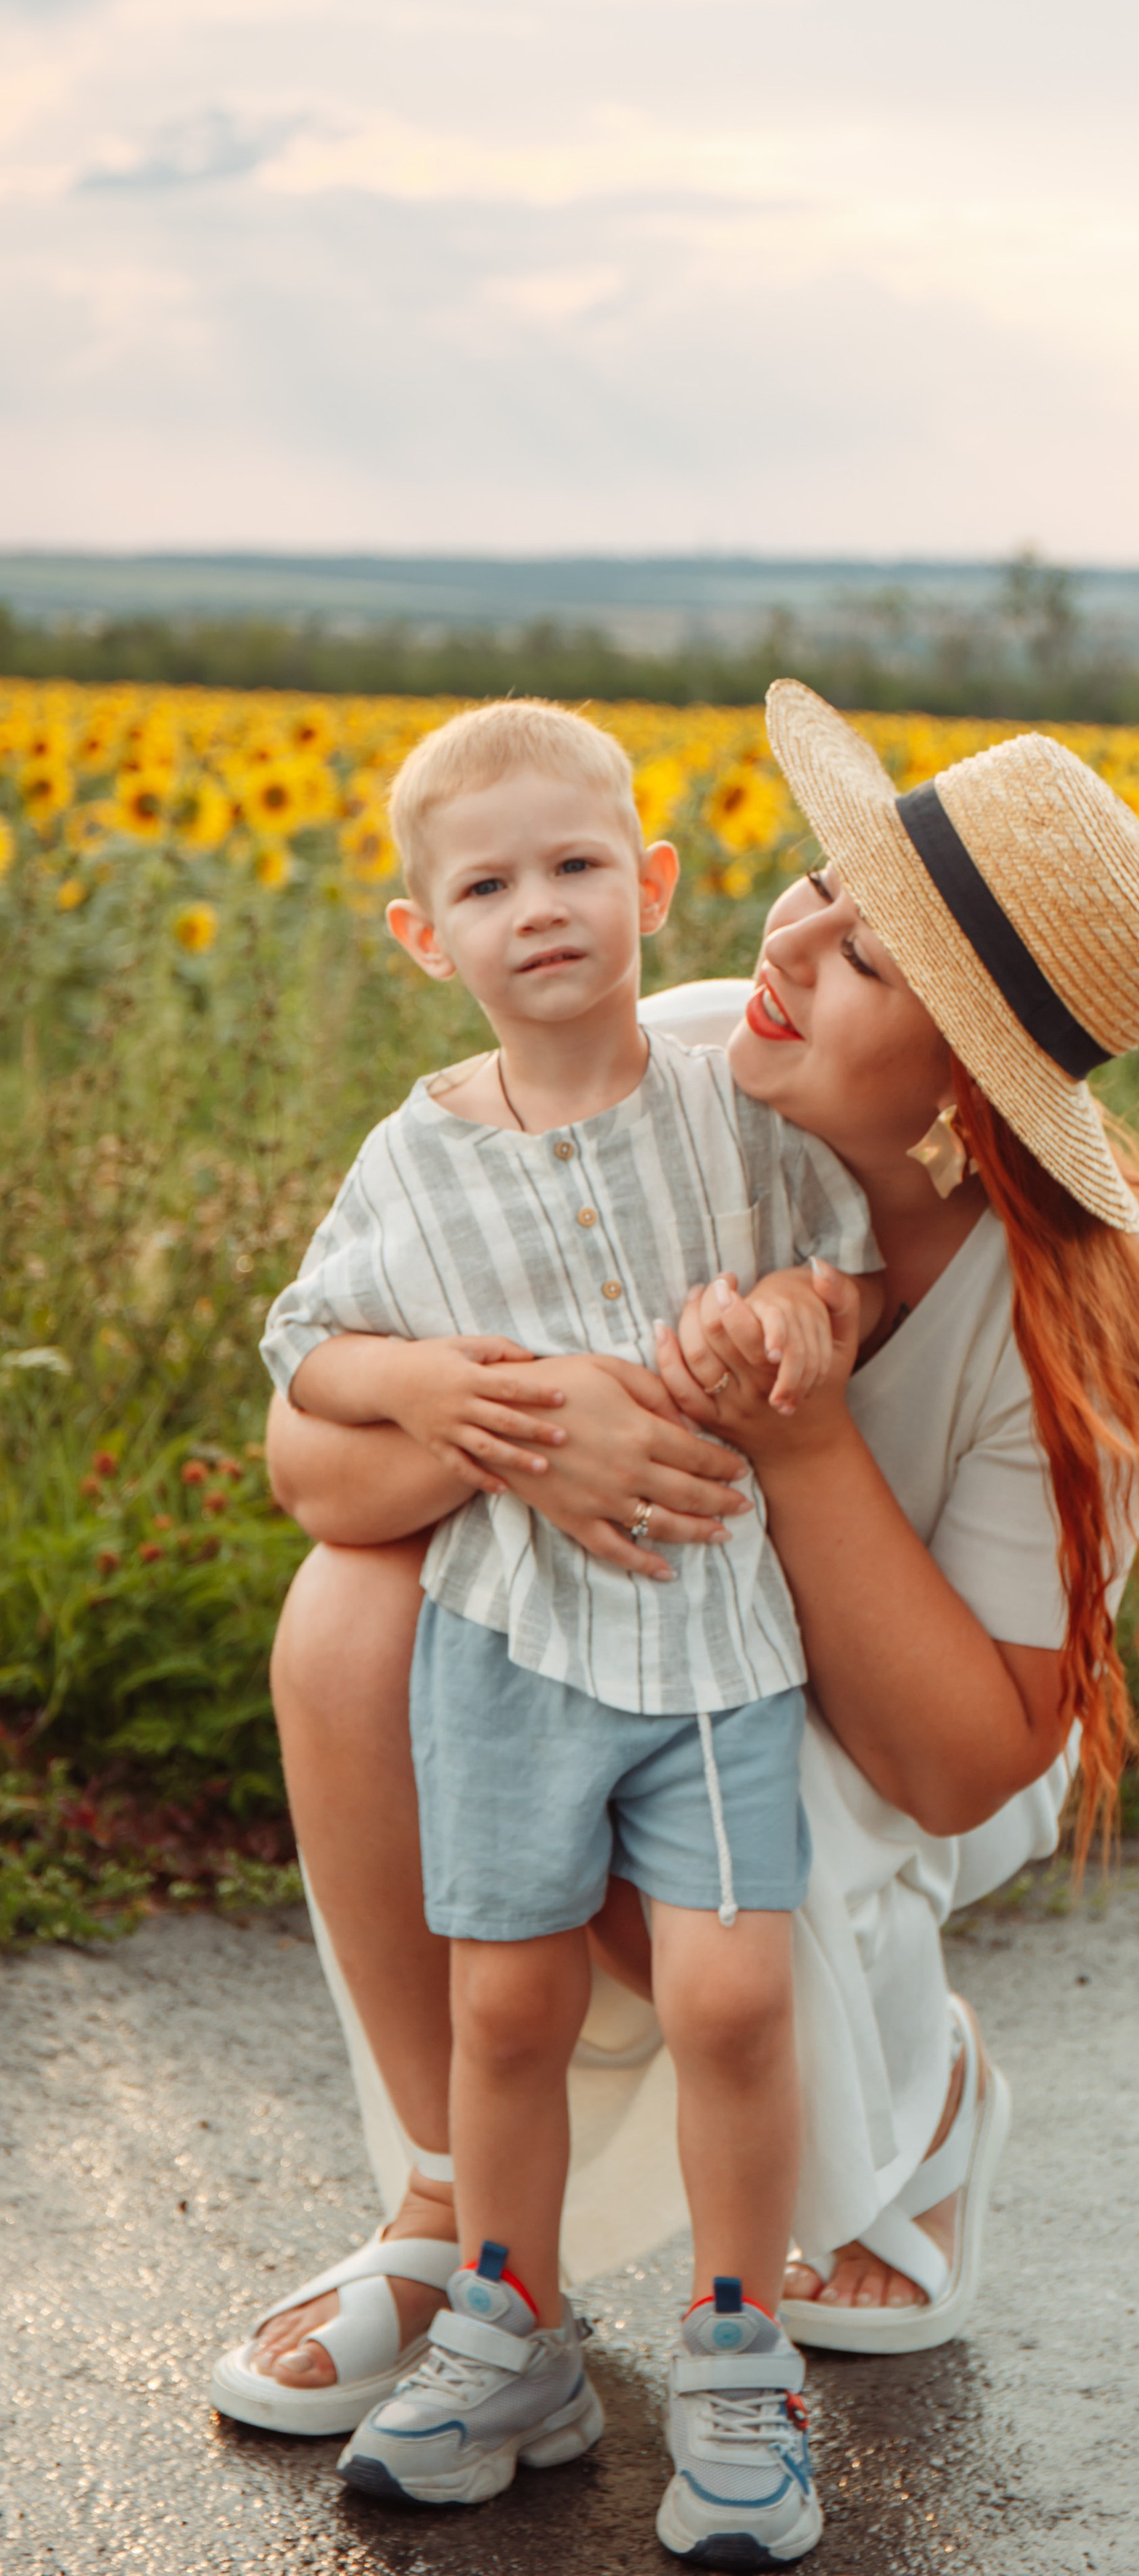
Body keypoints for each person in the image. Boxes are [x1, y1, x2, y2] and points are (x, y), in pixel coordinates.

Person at [212, 682, 1139, 2493]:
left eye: (871, 958)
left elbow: (960, 1761)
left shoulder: (1072, 1300)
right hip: (631, 1607)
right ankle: (451, 2210)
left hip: (889, 1731)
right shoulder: (671, 1051)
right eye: (823, 883)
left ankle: (912, 2100)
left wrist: (801, 1438)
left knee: (720, 1916)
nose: (791, 944)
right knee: (352, 1616)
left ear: (974, 1083)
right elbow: (311, 1461)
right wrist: (532, 1426)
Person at [253, 697, 880, 2556]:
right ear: (420, 933)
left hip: (710, 1638)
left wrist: (798, 1317)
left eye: (576, 865)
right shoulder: (410, 1158)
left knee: (730, 1993)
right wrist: (424, 1382)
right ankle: (510, 2331)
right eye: (486, 886)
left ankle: (738, 2349)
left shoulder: (720, 1108)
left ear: (651, 885)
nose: (537, 907)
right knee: (507, 2004)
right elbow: (308, 1346)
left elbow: (839, 1259)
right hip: (506, 1648)